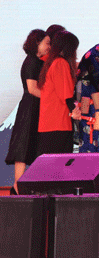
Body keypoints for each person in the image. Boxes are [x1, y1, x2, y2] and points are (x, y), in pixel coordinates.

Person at [5, 29, 50, 195]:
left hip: (37, 107)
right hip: (30, 107)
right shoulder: (31, 61)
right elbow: (32, 89)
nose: (49, 47)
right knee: (23, 146)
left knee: (31, 146)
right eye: (47, 43)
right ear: (37, 43)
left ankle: (21, 186)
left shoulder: (38, 61)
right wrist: (51, 97)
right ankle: (17, 185)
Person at [36, 31, 81, 156]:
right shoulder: (61, 63)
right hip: (59, 123)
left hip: (48, 123)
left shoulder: (51, 62)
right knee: (60, 168)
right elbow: (66, 95)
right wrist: (76, 110)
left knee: (49, 168)